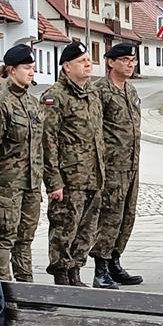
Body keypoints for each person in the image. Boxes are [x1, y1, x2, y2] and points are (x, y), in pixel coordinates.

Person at [41, 41, 104, 286]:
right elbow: (47, 141)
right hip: (69, 178)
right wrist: (54, 181)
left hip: (93, 175)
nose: (88, 64)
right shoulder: (55, 96)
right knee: (64, 228)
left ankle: (76, 271)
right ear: (67, 66)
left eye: (88, 60)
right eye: (81, 61)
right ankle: (61, 274)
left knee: (87, 230)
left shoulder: (92, 94)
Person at [0, 44, 43, 282]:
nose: (31, 72)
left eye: (33, 68)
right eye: (27, 68)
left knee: (25, 238)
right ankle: (0, 287)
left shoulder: (33, 103)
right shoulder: (0, 104)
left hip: (31, 183)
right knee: (5, 237)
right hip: (6, 185)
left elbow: (39, 145)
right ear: (12, 70)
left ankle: (26, 285)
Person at [90, 42, 143, 289]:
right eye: (124, 60)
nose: (130, 65)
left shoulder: (130, 90)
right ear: (111, 62)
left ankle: (115, 261)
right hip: (111, 166)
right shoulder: (100, 91)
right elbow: (94, 130)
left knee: (127, 215)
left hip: (131, 163)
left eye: (132, 61)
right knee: (109, 216)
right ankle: (100, 268)